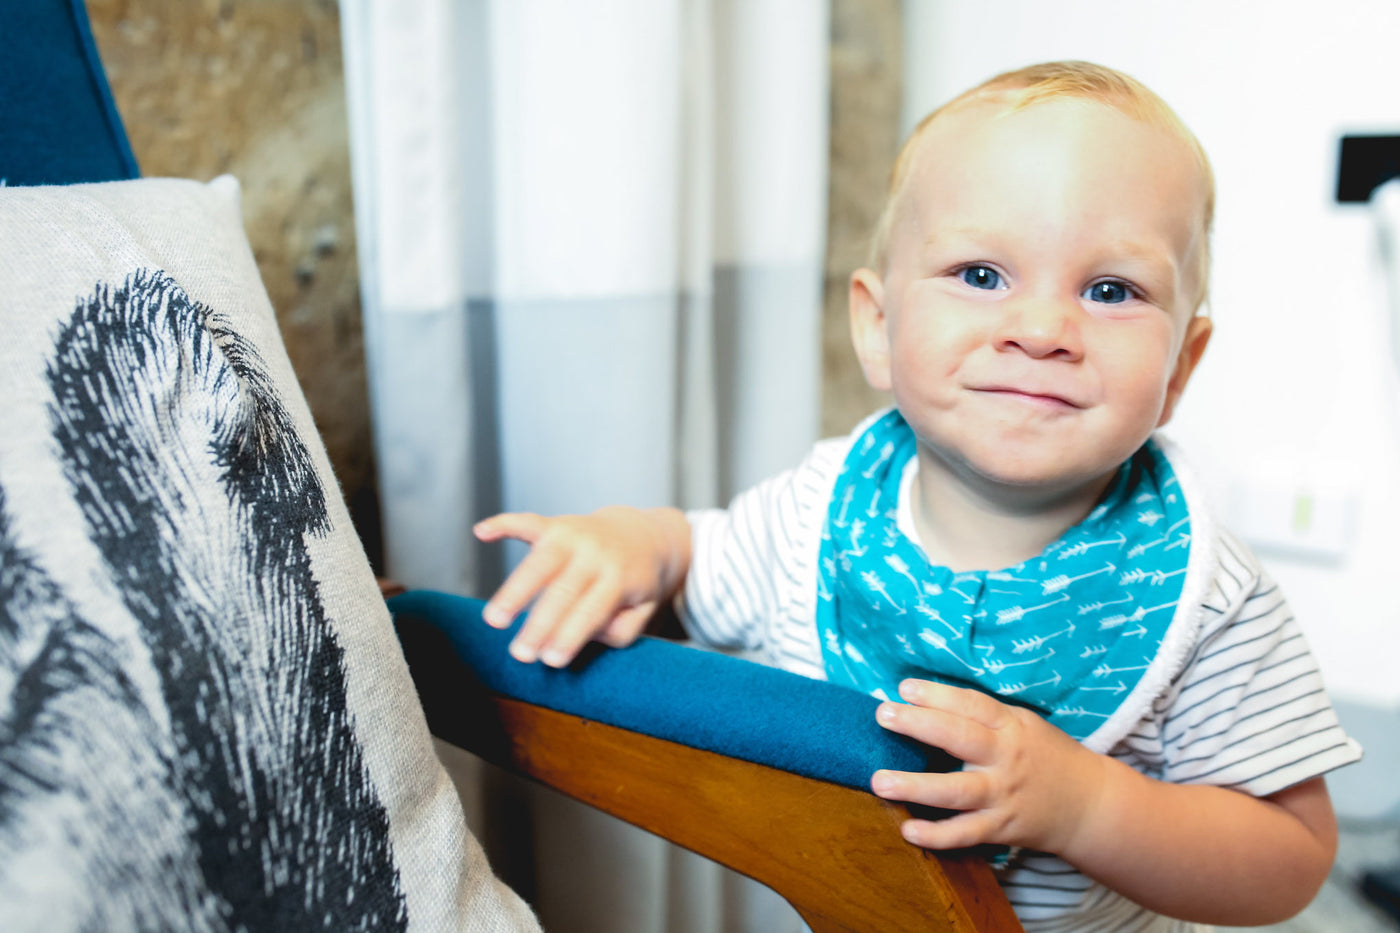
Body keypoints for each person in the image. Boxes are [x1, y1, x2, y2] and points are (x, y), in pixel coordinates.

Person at [472, 61, 1362, 931]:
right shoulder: (821, 509)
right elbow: (689, 570)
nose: (1042, 329)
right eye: (982, 274)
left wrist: (1087, 807)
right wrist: (636, 542)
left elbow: (1289, 858)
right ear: (878, 324)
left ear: (1181, 369)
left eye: (1110, 290)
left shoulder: (1209, 596)